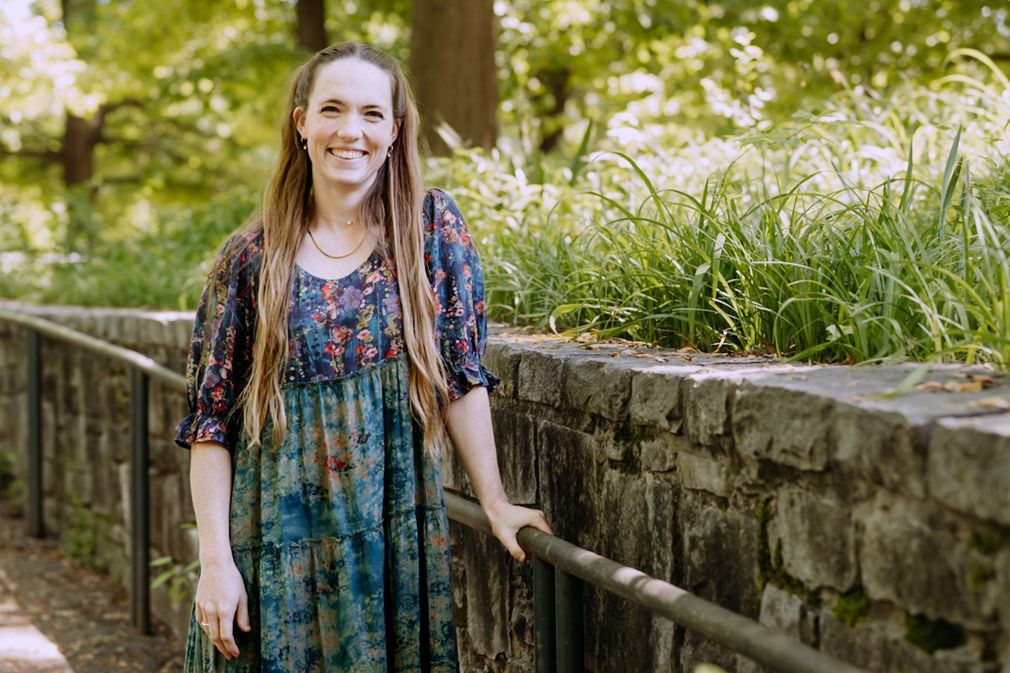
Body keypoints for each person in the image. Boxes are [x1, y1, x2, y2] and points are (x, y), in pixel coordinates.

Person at [174, 41, 552, 671]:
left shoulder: (430, 230)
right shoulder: (248, 260)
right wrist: (216, 563)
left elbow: (460, 375)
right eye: (332, 109)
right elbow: (211, 423)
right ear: (301, 122)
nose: (351, 130)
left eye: (372, 114)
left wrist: (494, 501)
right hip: (271, 550)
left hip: (392, 544)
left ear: (394, 130)